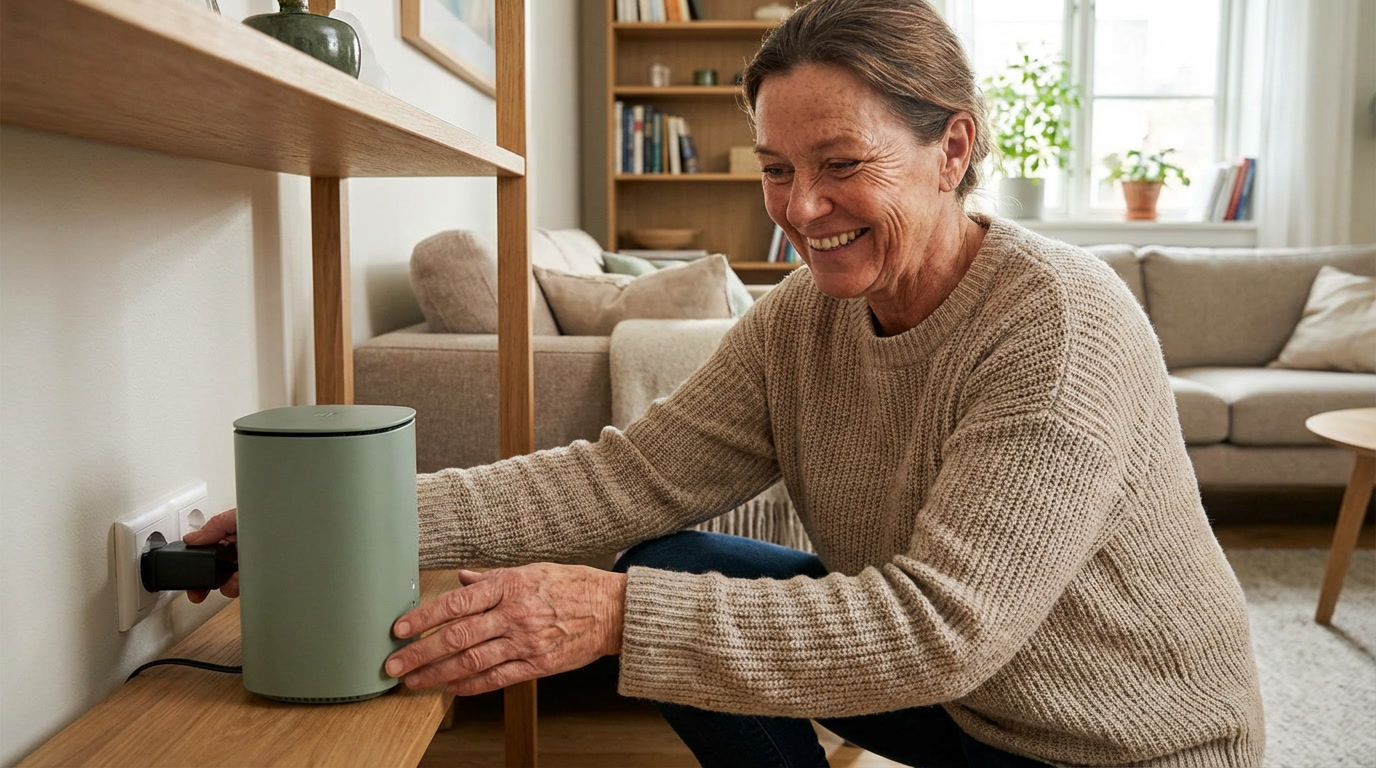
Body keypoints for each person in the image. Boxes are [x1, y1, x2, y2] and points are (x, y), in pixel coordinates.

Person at [187, 1, 1265, 765]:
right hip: (966, 710)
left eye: (840, 163)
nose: (798, 210)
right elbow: (624, 477)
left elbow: (941, 627)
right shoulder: (804, 318)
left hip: (1118, 745)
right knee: (675, 556)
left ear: (951, 149)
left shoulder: (1055, 323)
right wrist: (326, 517)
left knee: (648, 603)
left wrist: (613, 616)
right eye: (776, 167)